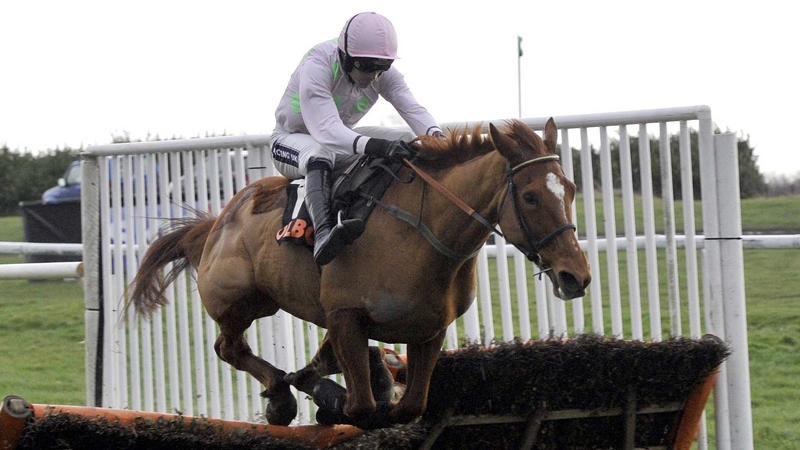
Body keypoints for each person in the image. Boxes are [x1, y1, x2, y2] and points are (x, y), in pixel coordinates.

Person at [269, 11, 444, 266]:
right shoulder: (316, 65)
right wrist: (376, 146)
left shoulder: (381, 72)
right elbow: (327, 130)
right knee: (321, 152)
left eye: (381, 67)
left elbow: (413, 110)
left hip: (337, 142)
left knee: (408, 140)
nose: (373, 75)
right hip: (289, 141)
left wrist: (439, 139)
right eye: (365, 66)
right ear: (344, 55)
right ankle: (323, 234)